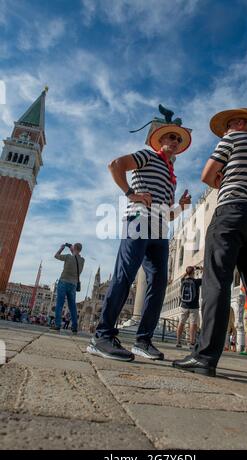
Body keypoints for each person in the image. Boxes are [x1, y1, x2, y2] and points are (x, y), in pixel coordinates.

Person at [173, 108, 247, 385]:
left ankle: (205, 358)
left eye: (228, 126)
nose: (224, 131)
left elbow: (207, 175)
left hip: (232, 214)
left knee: (217, 281)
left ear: (240, 124)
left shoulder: (233, 139)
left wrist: (222, 178)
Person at [87, 105, 192, 362]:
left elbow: (167, 213)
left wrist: (182, 207)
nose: (175, 141)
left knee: (158, 283)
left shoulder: (172, 178)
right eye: (171, 137)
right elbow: (115, 165)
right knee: (125, 275)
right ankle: (101, 336)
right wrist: (130, 194)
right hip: (138, 221)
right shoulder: (147, 156)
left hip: (159, 230)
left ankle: (143, 341)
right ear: (160, 139)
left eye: (178, 139)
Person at [50, 243, 85, 334]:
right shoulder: (82, 260)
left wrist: (61, 248)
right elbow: (76, 257)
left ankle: (57, 325)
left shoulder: (68, 257)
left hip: (63, 282)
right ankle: (74, 327)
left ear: (74, 248)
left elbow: (56, 256)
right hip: (73, 285)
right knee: (72, 306)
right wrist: (72, 248)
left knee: (60, 304)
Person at [176, 266, 202, 349]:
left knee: (181, 323)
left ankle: (178, 341)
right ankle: (192, 343)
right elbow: (207, 277)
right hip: (194, 306)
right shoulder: (196, 281)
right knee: (192, 324)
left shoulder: (183, 281)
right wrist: (201, 269)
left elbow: (184, 276)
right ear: (193, 273)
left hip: (183, 305)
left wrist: (187, 272)